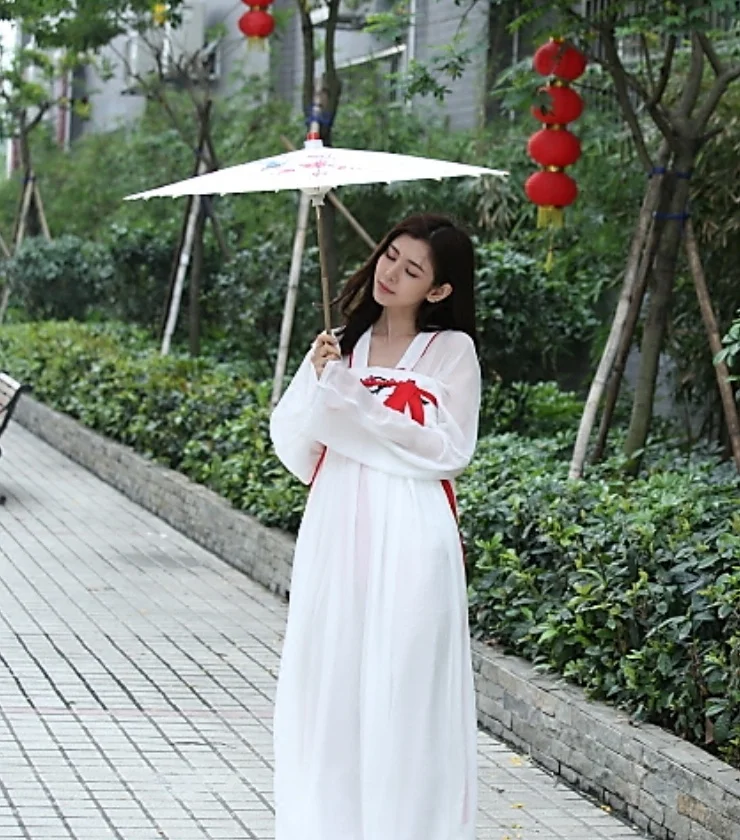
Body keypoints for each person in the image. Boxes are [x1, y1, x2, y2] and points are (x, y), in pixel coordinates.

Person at [269, 213, 481, 840]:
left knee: (407, 684)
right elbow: (296, 447)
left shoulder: (451, 352)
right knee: (329, 678)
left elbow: (448, 448)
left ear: (438, 290)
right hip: (336, 524)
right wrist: (319, 380)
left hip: (413, 530)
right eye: (391, 256)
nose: (392, 272)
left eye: (413, 269)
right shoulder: (341, 344)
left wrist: (356, 400)